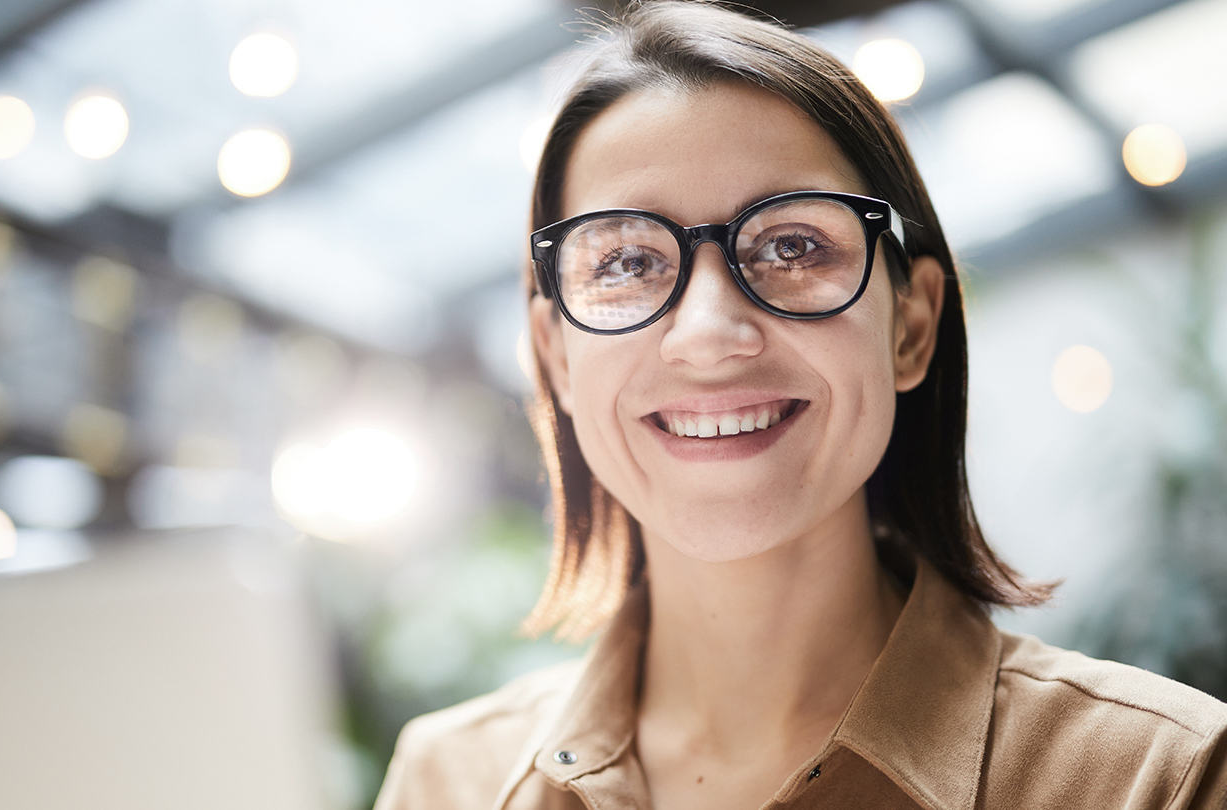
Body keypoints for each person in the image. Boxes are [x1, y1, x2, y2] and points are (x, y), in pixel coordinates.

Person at [373, 3, 1227, 808]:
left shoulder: (1157, 777)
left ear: (911, 327)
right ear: (554, 356)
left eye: (792, 245)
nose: (707, 333)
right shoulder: (450, 782)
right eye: (627, 263)